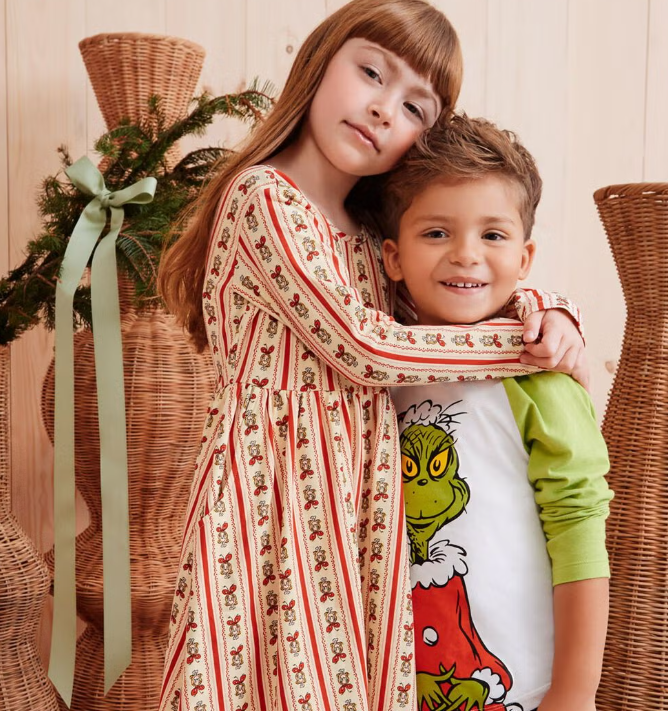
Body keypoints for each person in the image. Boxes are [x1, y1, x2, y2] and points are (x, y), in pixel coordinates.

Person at [157, 2, 588, 710]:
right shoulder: (264, 198)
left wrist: (543, 304)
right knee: (263, 680)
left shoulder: (368, 235)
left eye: (415, 107)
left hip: (358, 498)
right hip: (272, 490)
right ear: (318, 61)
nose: (385, 110)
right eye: (371, 73)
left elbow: (446, 304)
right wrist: (526, 345)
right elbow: (365, 346)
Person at [379, 114, 612, 711]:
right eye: (436, 232)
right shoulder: (377, 378)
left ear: (525, 257)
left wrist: (574, 691)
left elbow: (580, 531)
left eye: (493, 234)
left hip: (524, 688)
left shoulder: (541, 375)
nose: (466, 255)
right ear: (393, 256)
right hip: (396, 683)